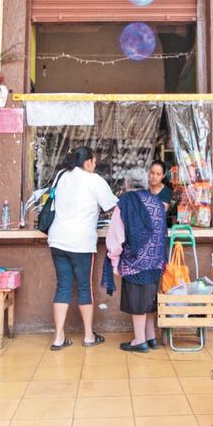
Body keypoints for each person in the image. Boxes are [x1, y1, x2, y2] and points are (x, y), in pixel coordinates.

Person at [47, 146, 118, 350]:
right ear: (88, 162)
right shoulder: (94, 180)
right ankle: (88, 336)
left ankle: (58, 338)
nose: (95, 166)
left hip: (57, 239)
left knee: (63, 286)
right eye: (94, 162)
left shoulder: (61, 176)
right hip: (81, 243)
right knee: (84, 287)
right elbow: (113, 206)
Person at [103, 170, 168, 353]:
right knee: (148, 299)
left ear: (128, 184)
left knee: (138, 300)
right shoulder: (157, 201)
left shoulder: (126, 202)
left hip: (135, 260)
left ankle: (139, 341)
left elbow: (116, 235)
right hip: (156, 259)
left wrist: (114, 260)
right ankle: (150, 337)